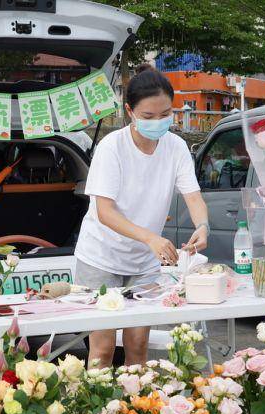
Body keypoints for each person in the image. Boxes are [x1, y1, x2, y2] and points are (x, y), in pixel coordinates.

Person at [74, 64, 209, 367]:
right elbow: (104, 212)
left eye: (165, 115)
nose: (158, 122)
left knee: (138, 344)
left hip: (145, 263)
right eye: (148, 116)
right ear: (130, 111)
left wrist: (202, 225)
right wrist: (150, 237)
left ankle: (135, 410)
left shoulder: (176, 147)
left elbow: (193, 196)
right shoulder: (112, 147)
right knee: (102, 349)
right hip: (100, 257)